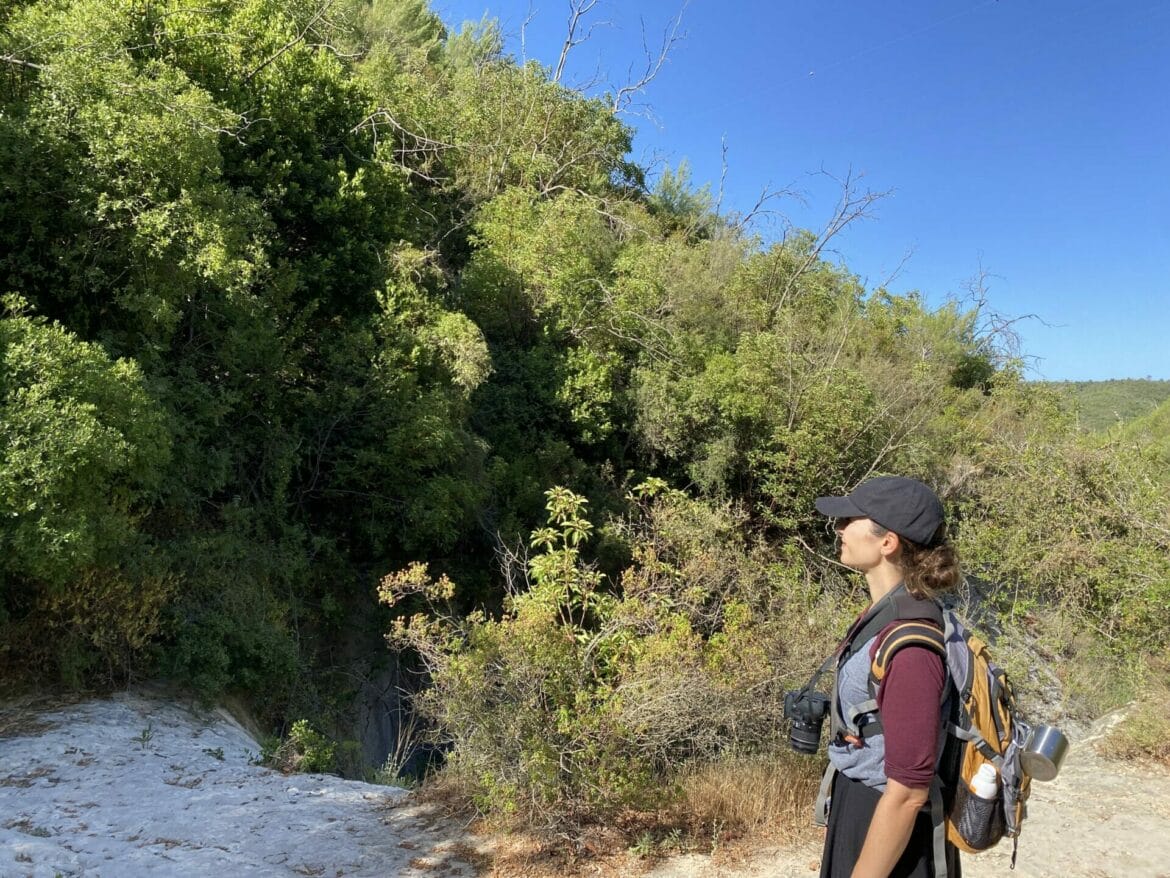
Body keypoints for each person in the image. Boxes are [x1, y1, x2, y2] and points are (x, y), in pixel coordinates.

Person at [813, 476, 962, 878]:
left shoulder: (912, 646)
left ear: (887, 542)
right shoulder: (885, 617)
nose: (839, 528)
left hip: (894, 831)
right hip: (866, 809)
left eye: (850, 519)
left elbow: (909, 792)